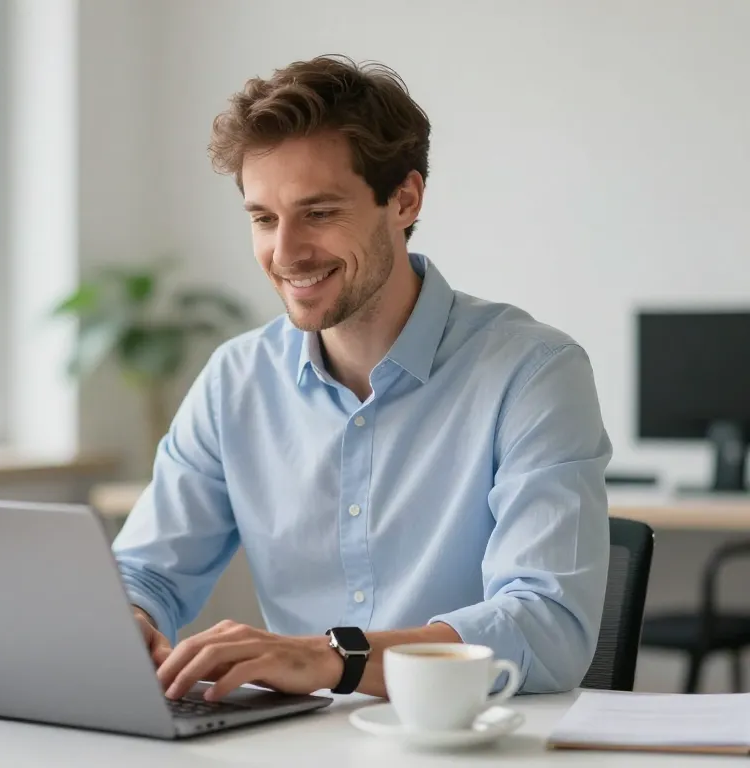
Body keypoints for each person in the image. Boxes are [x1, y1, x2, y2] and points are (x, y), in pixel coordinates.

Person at [111, 54, 611, 704]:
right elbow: (145, 573)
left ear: (403, 200)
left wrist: (330, 659)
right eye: (263, 219)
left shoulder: (533, 373)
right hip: (295, 748)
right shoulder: (236, 379)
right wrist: (131, 623)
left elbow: (548, 629)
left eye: (318, 213)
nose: (285, 253)